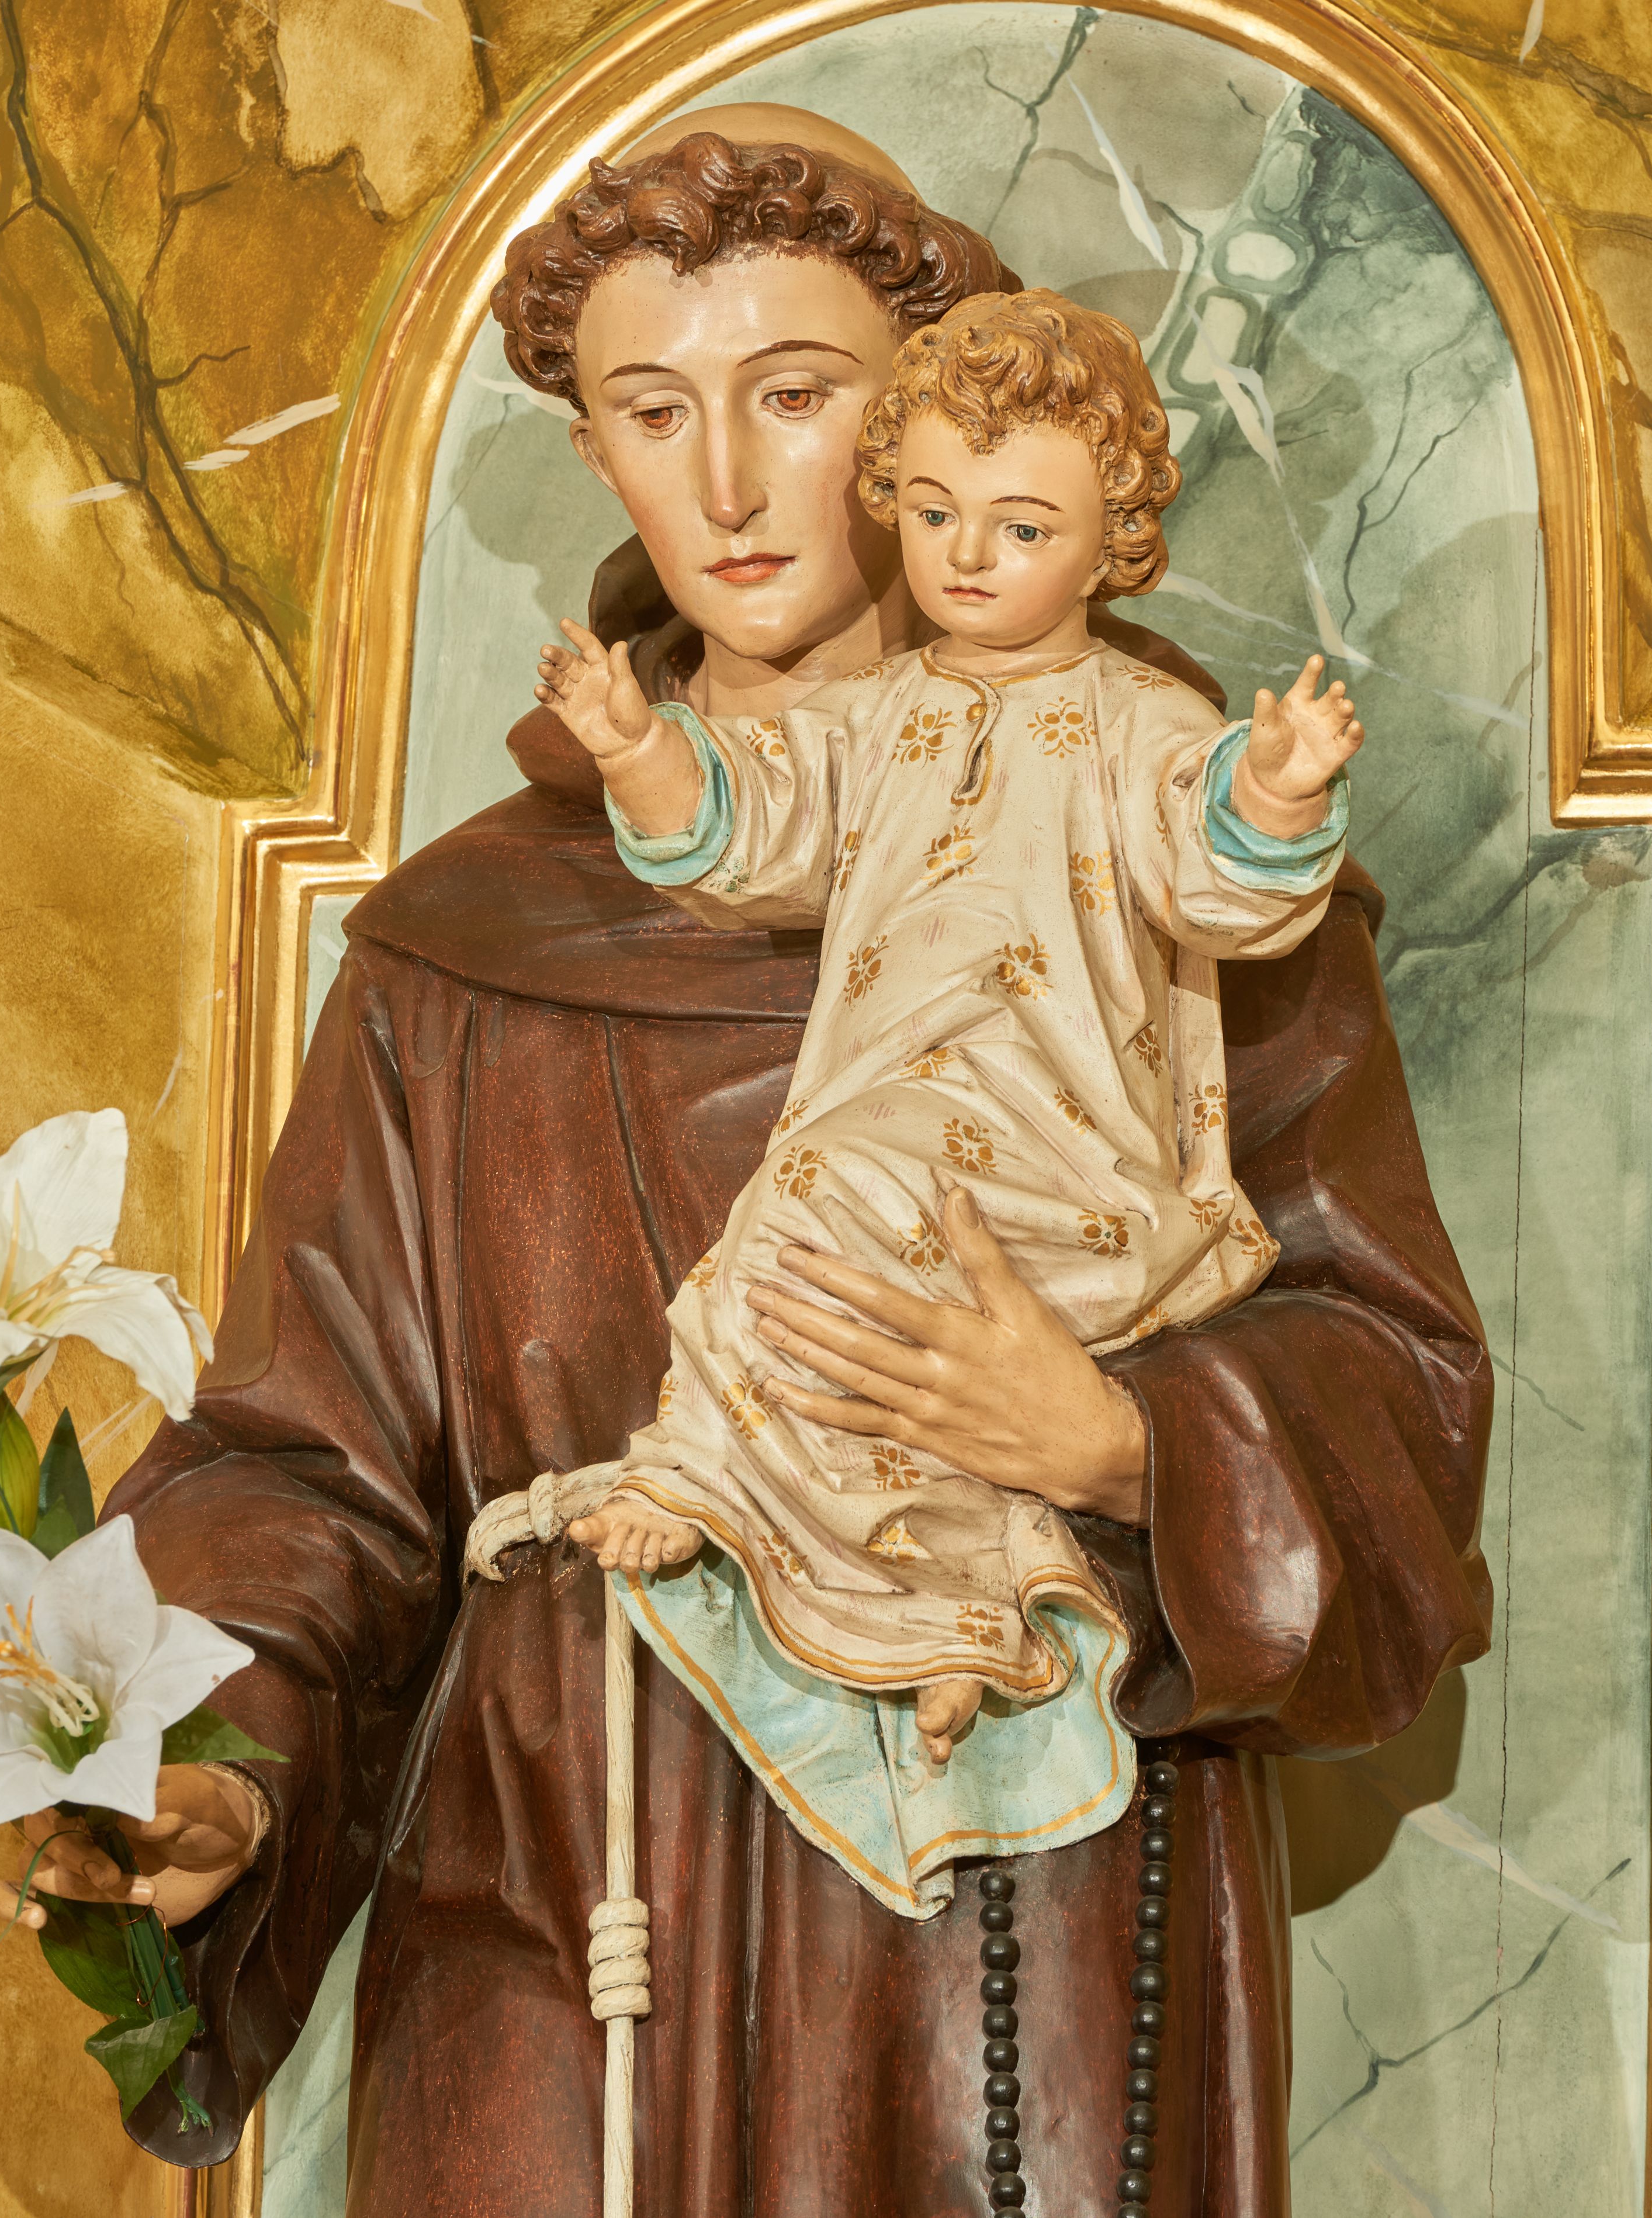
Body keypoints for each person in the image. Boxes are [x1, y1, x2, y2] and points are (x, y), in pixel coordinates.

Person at [0, 112, 1491, 2216]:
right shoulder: (466, 938)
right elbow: (311, 1455)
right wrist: (213, 1757)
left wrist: (1125, 1441)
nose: (724, 485)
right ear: (590, 447)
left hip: (1018, 1883)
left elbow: (1398, 1387)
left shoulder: (1185, 850)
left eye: (796, 397)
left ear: (931, 414)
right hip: (575, 1868)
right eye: (651, 408)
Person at [470, 289, 1364, 1918]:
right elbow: (753, 826)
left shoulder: (1144, 728)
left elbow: (1215, 870)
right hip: (899, 1125)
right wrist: (639, 749)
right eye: (937, 513)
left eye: (1021, 528)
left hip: (1062, 1151)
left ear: (1109, 543)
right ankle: (956, 1624)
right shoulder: (878, 721)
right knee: (862, 1329)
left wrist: (1276, 786)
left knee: (825, 1231)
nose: (966, 557)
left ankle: (700, 1472)